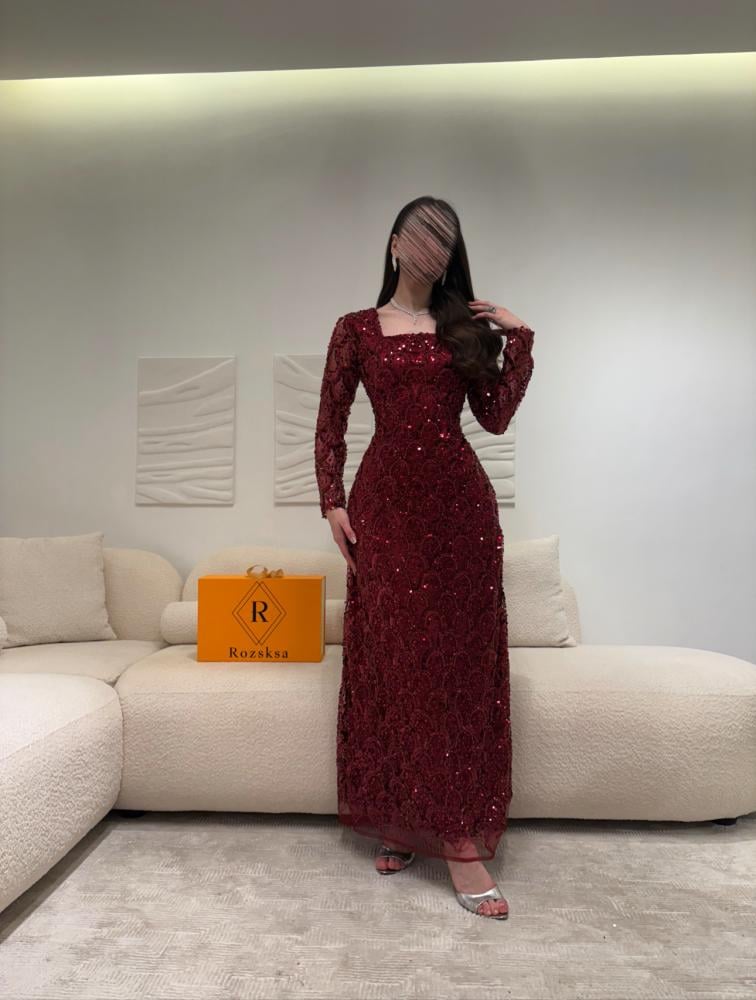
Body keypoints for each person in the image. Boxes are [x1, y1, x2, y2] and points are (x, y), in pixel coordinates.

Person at [314, 196, 535, 920]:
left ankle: (460, 840)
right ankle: (400, 819)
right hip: (384, 511)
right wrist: (332, 501)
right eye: (422, 235)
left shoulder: (462, 326)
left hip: (460, 514)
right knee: (393, 664)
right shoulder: (355, 329)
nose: (433, 249)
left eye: (445, 240)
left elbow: (493, 417)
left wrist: (519, 339)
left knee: (457, 671)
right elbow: (330, 420)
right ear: (394, 243)